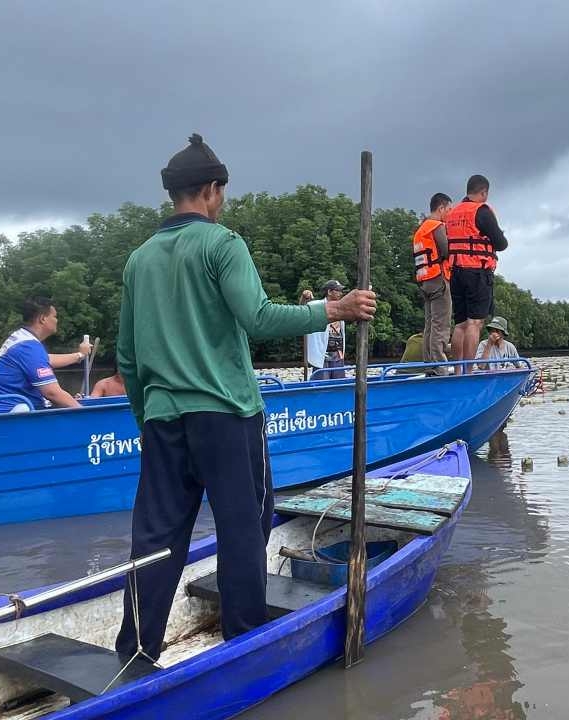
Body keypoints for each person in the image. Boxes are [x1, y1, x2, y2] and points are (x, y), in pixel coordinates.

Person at [115, 133, 375, 664]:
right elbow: (257, 317)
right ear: (212, 191)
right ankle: (244, 641)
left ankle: (135, 650)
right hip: (226, 415)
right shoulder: (221, 244)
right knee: (245, 525)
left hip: (163, 419)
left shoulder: (139, 260)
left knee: (156, 539)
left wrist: (147, 418)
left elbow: (126, 358)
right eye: (222, 193)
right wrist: (335, 309)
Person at [0, 297, 92, 413]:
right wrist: (86, 414)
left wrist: (80, 355)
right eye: (54, 317)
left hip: (2, 410)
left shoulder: (21, 339)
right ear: (43, 318)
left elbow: (45, 360)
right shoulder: (28, 347)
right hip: (8, 414)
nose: (57, 320)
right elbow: (52, 393)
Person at [446, 175, 508, 374]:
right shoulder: (481, 211)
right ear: (484, 192)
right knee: (475, 323)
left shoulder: (452, 213)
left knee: (460, 324)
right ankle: (469, 372)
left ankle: (457, 372)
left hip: (456, 272)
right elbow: (501, 243)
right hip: (477, 272)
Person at [413, 192, 452, 374]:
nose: (449, 214)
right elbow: (446, 250)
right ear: (441, 208)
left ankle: (428, 364)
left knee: (429, 324)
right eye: (449, 210)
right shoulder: (436, 226)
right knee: (440, 325)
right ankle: (439, 367)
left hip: (424, 282)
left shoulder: (421, 229)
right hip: (438, 279)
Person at [310, 280, 347, 379]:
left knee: (339, 385)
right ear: (329, 292)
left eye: (340, 291)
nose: (340, 293)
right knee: (321, 385)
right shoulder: (317, 305)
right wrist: (303, 298)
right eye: (338, 290)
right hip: (322, 354)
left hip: (337, 354)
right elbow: (303, 308)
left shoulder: (341, 308)